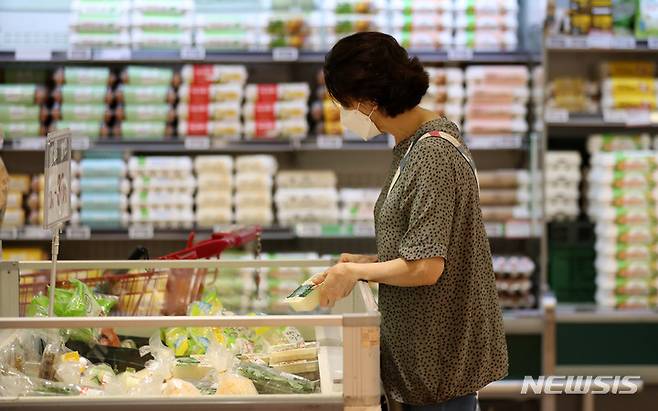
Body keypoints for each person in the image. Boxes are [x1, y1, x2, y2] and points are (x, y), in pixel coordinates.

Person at [313, 32, 508, 411]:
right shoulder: (411, 145)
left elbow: (426, 268)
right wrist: (364, 264)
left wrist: (355, 273)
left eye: (344, 104)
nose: (343, 114)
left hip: (440, 364)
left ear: (368, 102)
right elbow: (424, 242)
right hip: (423, 358)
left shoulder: (431, 153)